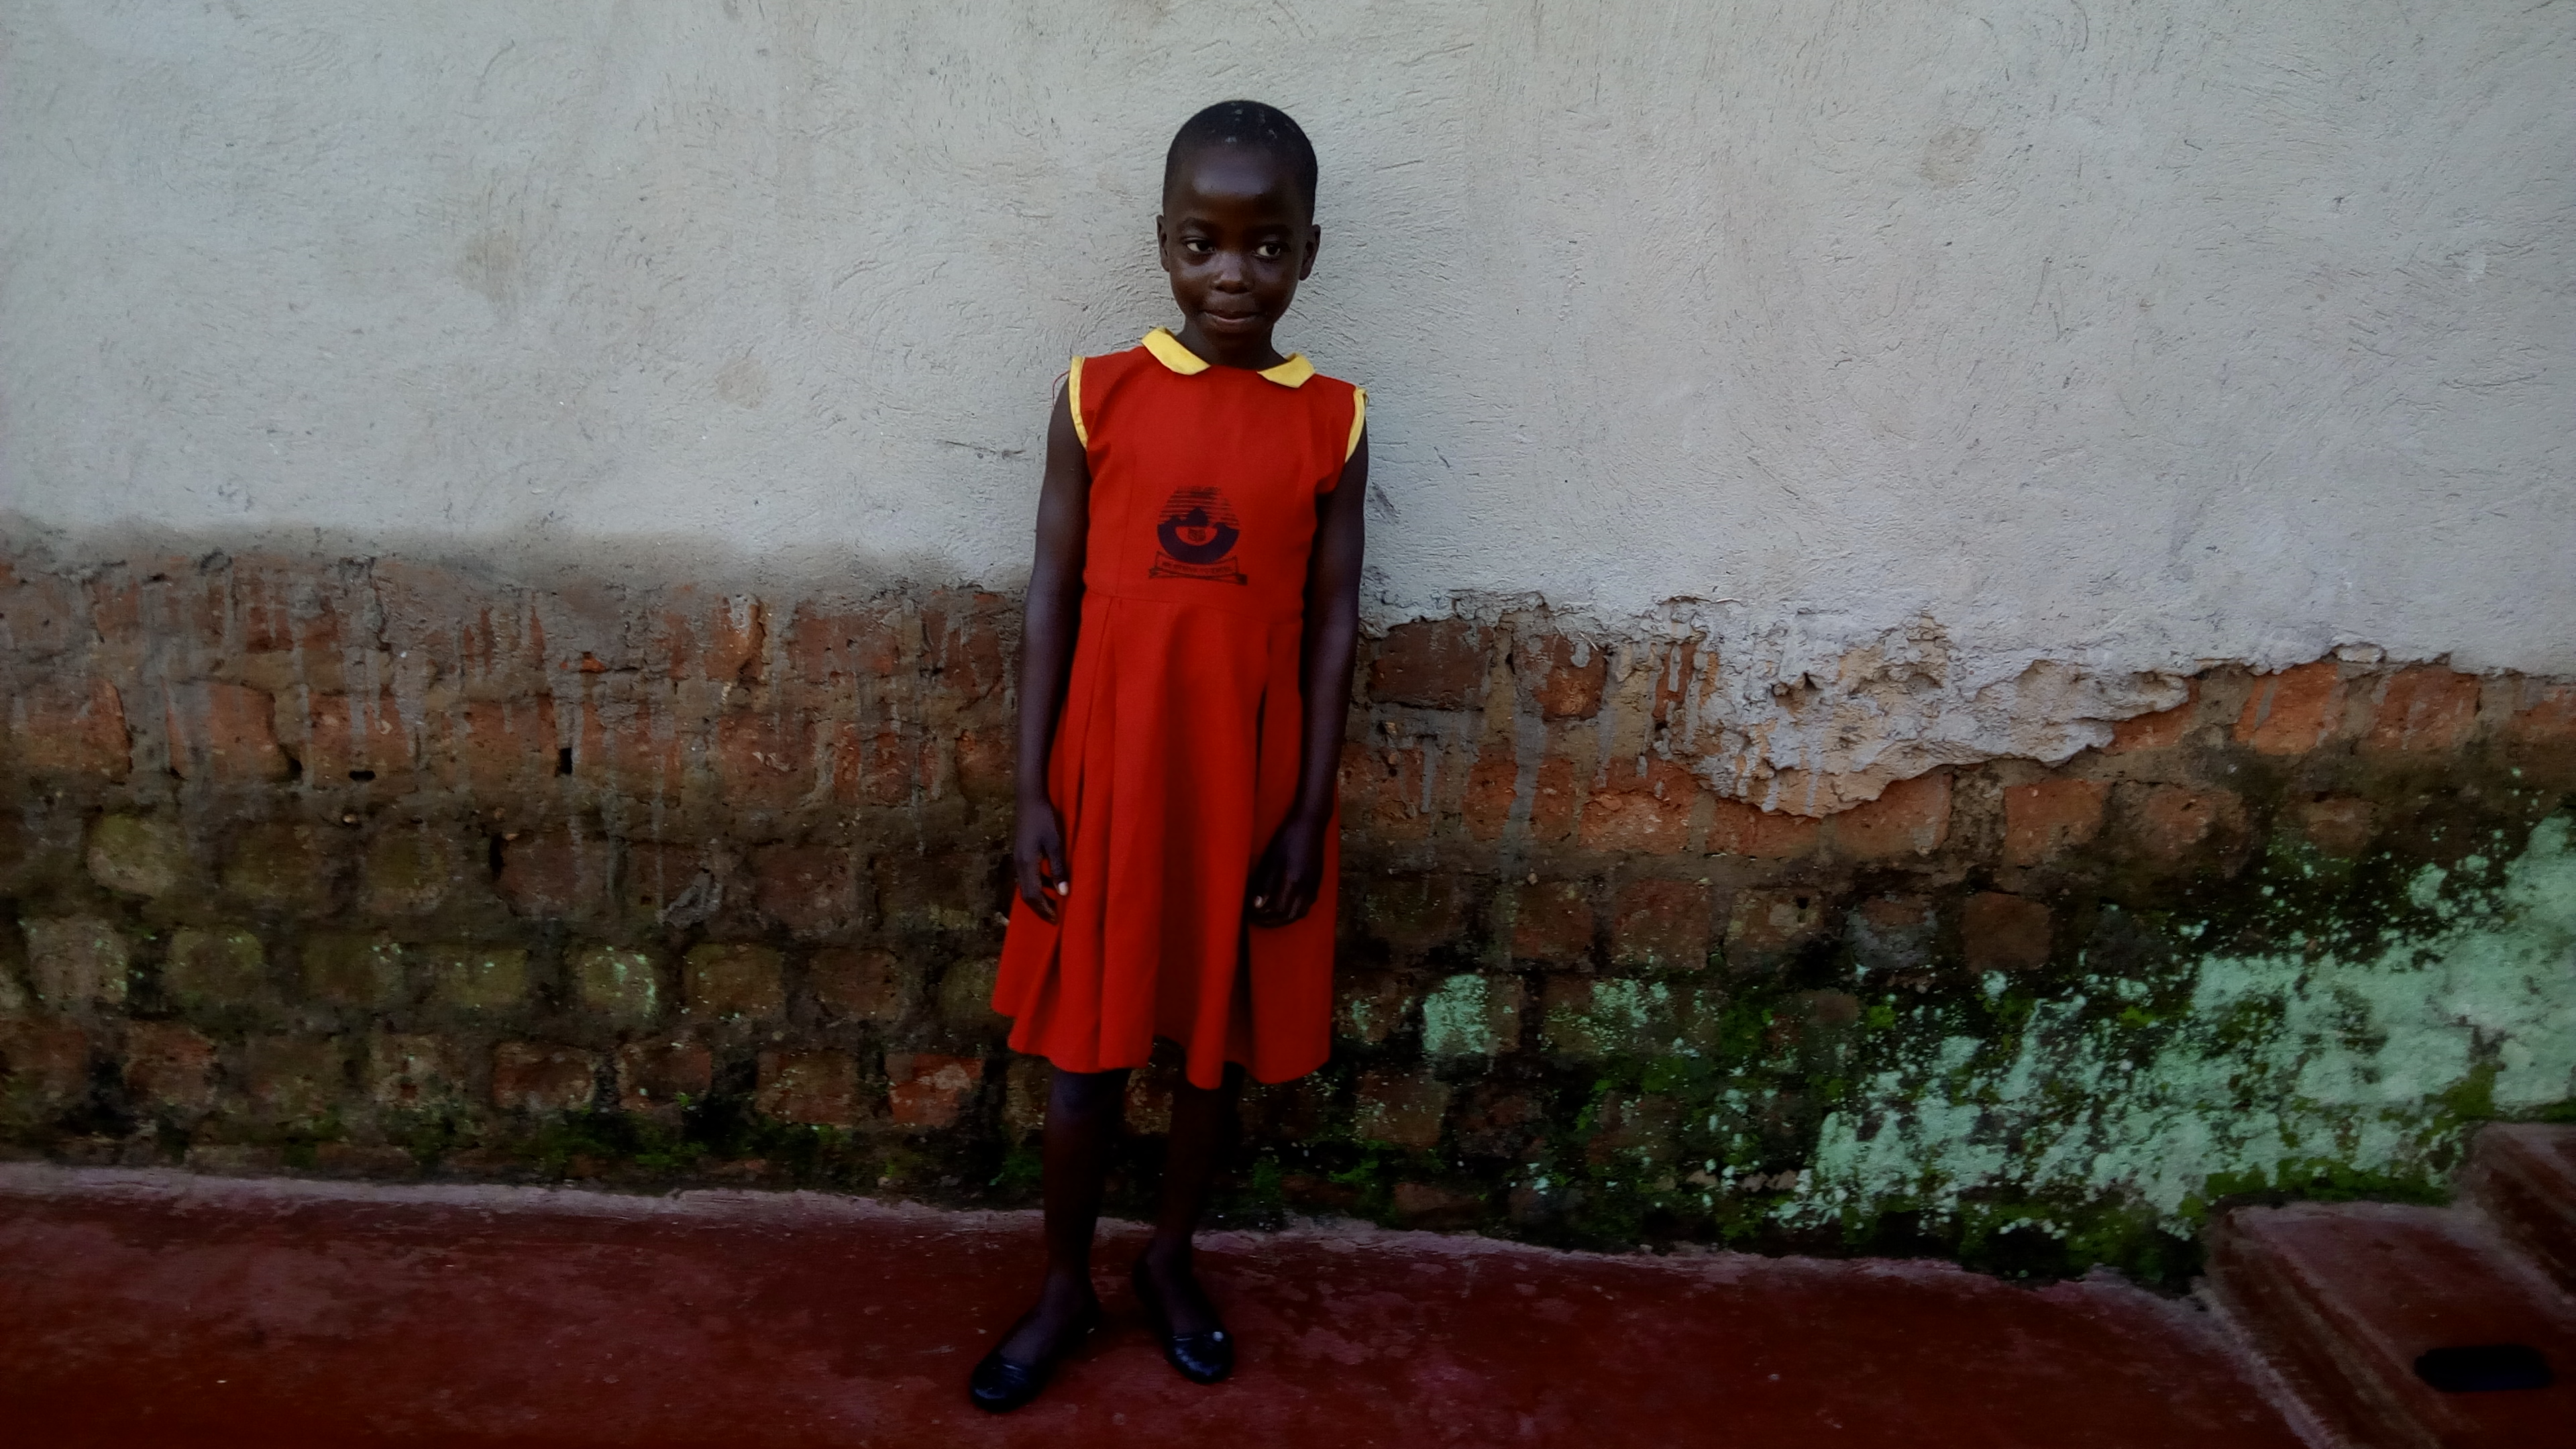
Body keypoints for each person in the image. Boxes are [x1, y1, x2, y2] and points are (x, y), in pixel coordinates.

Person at [969, 99, 1367, 1414]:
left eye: (1268, 247)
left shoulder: (1334, 420)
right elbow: (1050, 592)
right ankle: (1062, 1285)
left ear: (1309, 252)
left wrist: (1308, 811)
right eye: (1204, 244)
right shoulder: (1100, 396)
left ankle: (1169, 1260)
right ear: (1163, 243)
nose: (1234, 275)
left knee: (1211, 1049)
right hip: (1114, 778)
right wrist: (1033, 789)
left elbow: (1334, 621)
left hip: (1247, 788)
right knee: (1086, 1063)